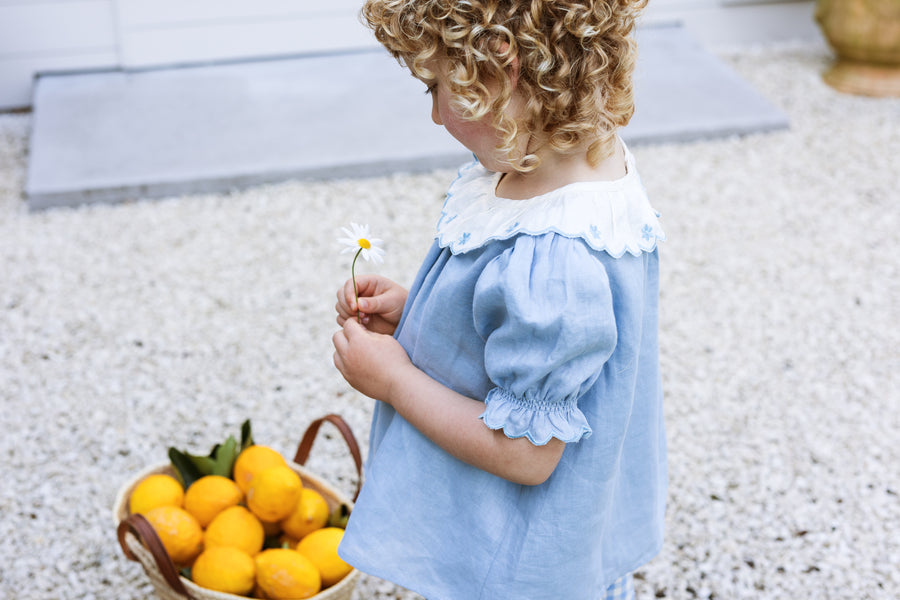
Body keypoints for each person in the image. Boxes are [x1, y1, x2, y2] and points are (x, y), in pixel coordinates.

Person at [332, 1, 666, 598]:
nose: (435, 115)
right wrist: (418, 314)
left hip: (515, 568)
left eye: (436, 86)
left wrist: (393, 381)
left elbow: (526, 453)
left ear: (501, 67)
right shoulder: (561, 165)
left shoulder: (560, 258)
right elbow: (526, 344)